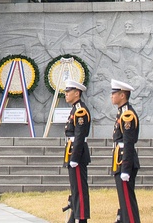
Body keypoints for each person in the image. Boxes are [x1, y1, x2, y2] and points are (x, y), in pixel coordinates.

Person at [109, 78, 140, 223]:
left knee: (128, 203)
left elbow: (128, 143)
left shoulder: (127, 114)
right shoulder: (122, 112)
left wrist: (126, 169)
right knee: (124, 202)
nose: (112, 96)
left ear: (122, 95)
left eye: (114, 93)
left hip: (125, 160)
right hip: (120, 159)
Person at [62, 78, 91, 223]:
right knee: (75, 188)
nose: (66, 94)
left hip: (77, 154)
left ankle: (81, 218)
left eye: (68, 91)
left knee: (79, 188)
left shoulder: (80, 111)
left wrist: (74, 158)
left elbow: (79, 136)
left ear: (77, 93)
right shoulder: (75, 109)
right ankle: (75, 217)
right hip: (72, 151)